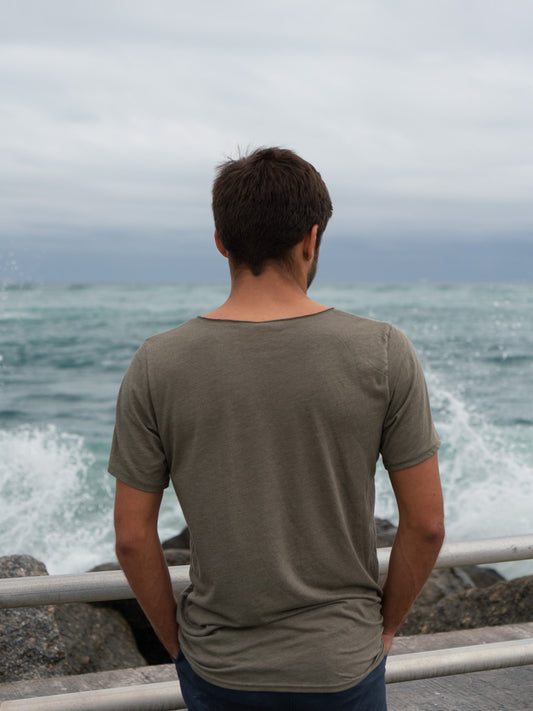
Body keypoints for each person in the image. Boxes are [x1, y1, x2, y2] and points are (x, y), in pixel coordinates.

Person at [109, 147, 444, 710]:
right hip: (342, 663)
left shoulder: (157, 363)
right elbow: (428, 525)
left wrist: (178, 646)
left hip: (218, 669)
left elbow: (132, 537)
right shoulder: (382, 351)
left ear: (221, 241)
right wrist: (379, 633)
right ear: (311, 239)